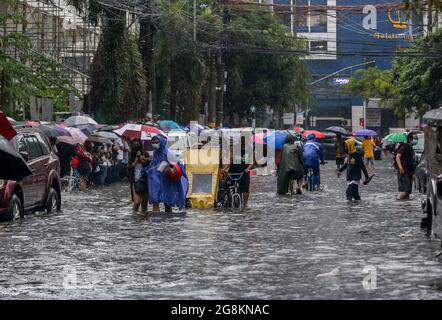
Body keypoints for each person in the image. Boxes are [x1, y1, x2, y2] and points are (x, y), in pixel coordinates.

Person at [148, 135, 188, 212]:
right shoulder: (155, 153)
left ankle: (168, 221)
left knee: (168, 203)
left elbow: (178, 166)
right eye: (152, 143)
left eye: (156, 142)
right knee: (155, 200)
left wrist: (167, 167)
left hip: (167, 181)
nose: (154, 144)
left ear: (161, 142)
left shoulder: (169, 153)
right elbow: (152, 167)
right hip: (156, 181)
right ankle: (156, 221)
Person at [395, 132, 417, 200]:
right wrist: (401, 168)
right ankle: (398, 203)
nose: (416, 140)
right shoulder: (405, 147)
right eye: (415, 138)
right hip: (404, 172)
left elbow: (412, 161)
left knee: (408, 193)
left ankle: (404, 207)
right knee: (406, 191)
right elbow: (397, 157)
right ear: (410, 139)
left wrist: (413, 173)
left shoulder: (410, 148)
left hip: (409, 172)